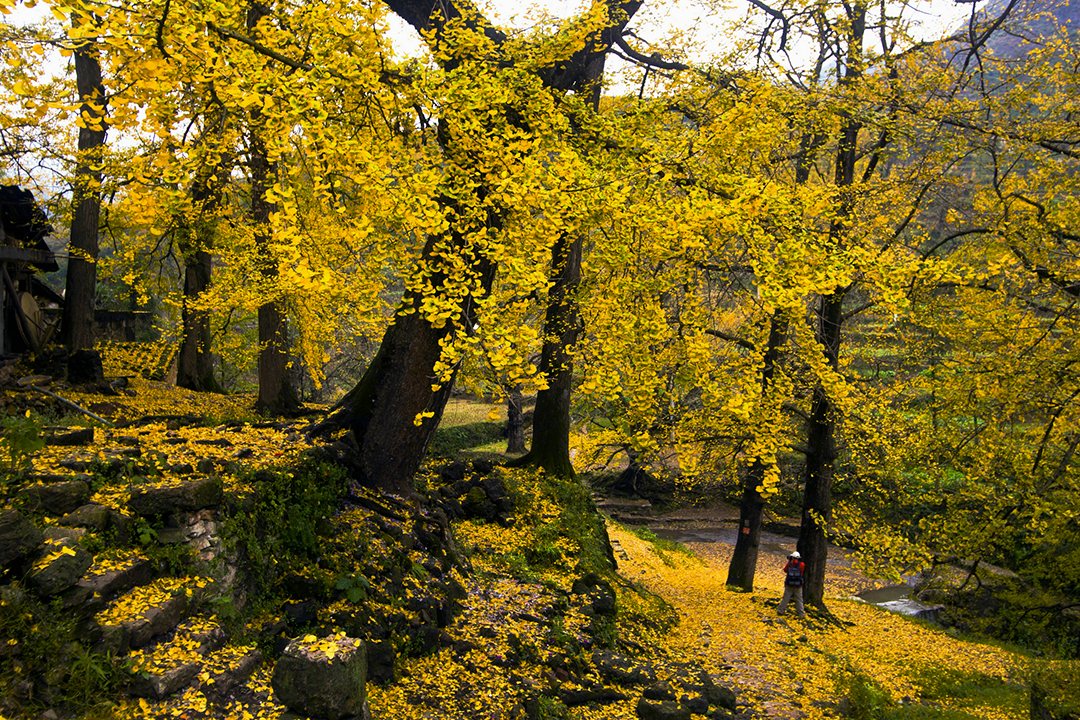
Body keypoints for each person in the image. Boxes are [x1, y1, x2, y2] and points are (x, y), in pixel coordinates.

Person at [778, 550, 805, 619]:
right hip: (798, 585)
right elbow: (802, 571)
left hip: (789, 584)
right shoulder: (802, 564)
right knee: (799, 599)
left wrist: (789, 562)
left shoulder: (789, 564)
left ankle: (780, 610)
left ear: (792, 557)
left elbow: (785, 570)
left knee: (786, 598)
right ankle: (800, 613)